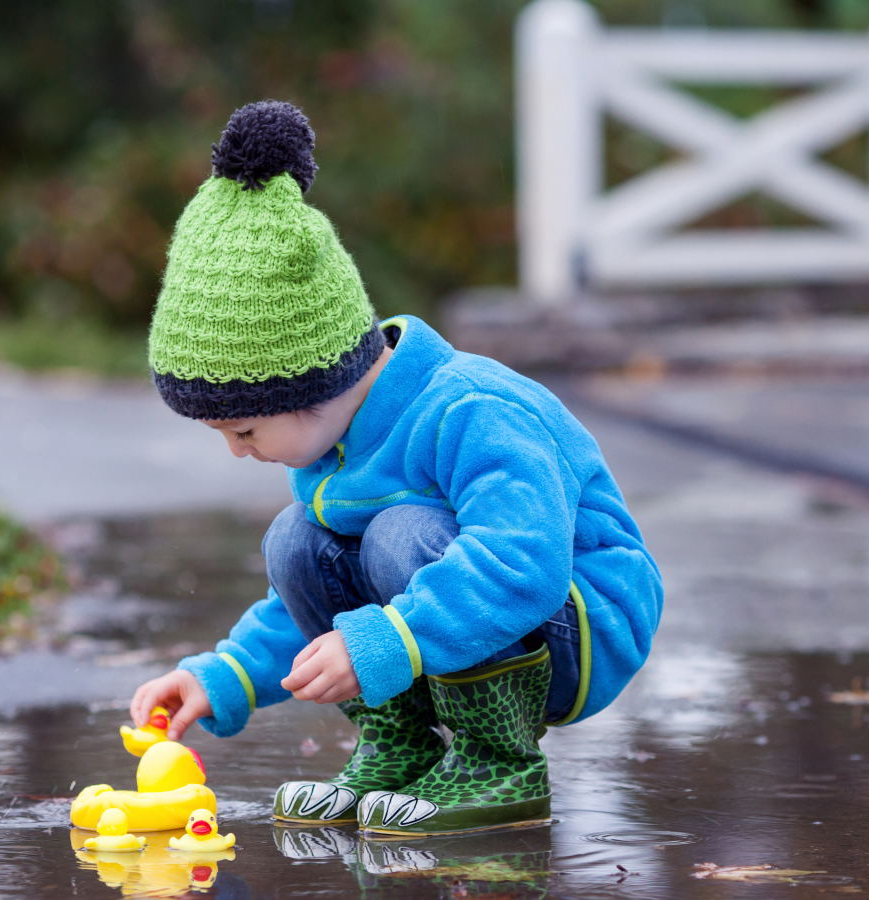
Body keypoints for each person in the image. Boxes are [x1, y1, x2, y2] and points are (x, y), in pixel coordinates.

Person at [130, 100, 662, 836]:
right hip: (460, 616)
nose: (235, 450)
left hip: (578, 622)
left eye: (244, 428)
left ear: (308, 386)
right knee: (299, 542)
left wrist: (387, 640)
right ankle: (402, 747)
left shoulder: (470, 409)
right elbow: (311, 607)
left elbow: (526, 559)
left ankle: (499, 760)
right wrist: (221, 678)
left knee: (398, 535)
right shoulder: (333, 444)